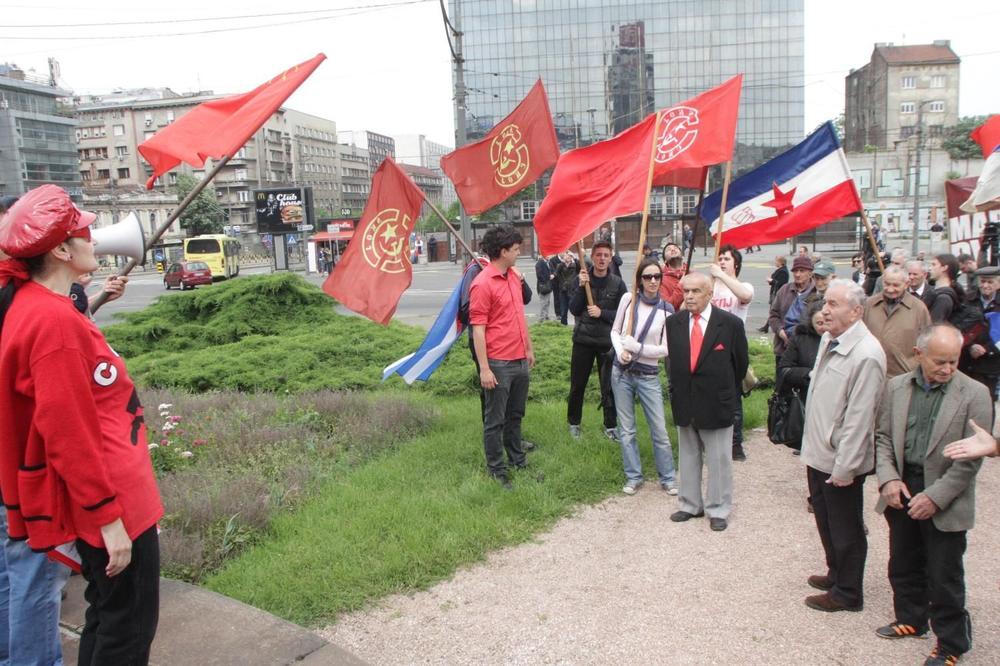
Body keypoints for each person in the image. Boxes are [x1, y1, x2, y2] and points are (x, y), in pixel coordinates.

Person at [0, 185, 163, 664]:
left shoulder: (41, 307)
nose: (95, 238)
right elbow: (66, 431)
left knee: (109, 616)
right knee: (127, 629)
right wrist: (108, 518)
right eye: (85, 231)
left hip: (115, 491)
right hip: (115, 499)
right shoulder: (52, 322)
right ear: (61, 249)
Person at [873, 324, 992, 666]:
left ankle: (951, 643)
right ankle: (911, 618)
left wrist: (935, 497)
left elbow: (972, 460)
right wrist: (888, 479)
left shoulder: (975, 394)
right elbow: (882, 438)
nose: (948, 368)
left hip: (945, 492)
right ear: (919, 354)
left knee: (944, 574)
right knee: (903, 561)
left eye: (953, 361)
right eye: (940, 361)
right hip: (903, 486)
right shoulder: (895, 387)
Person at [801, 279, 887, 613]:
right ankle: (836, 573)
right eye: (826, 303)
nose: (825, 310)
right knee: (825, 518)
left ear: (856, 312)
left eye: (834, 304)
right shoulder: (830, 339)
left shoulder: (866, 355)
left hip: (841, 460)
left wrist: (846, 467)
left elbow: (859, 419)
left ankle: (848, 592)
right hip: (819, 452)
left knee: (846, 525)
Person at [665, 272, 749, 532]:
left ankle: (718, 508)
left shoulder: (730, 324)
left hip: (717, 400)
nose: (689, 296)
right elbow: (672, 362)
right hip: (685, 400)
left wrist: (724, 390)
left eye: (695, 291)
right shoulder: (674, 323)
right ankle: (690, 504)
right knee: (688, 454)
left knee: (719, 458)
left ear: (709, 294)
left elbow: (740, 364)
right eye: (686, 291)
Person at [469, 224, 536, 489]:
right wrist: (484, 369)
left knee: (515, 416)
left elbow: (520, 317)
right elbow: (478, 330)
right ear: (503, 251)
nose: (519, 252)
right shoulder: (482, 284)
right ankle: (497, 470)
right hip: (498, 363)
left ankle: (518, 461)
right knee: (495, 421)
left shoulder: (513, 277)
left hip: (520, 359)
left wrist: (528, 348)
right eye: (516, 248)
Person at [610, 259, 677, 495]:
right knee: (627, 430)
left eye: (656, 276)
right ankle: (633, 476)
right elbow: (615, 331)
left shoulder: (667, 310)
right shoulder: (628, 299)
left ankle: (668, 477)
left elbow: (666, 349)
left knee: (659, 429)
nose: (652, 281)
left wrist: (637, 348)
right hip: (622, 373)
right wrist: (621, 351)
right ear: (639, 279)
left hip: (648, 376)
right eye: (647, 277)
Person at [567, 241, 627, 440]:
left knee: (608, 386)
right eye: (598, 255)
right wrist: (580, 286)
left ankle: (610, 426)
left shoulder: (617, 283)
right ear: (592, 257)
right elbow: (574, 309)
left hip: (607, 343)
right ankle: (574, 423)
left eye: (606, 255)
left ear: (611, 258)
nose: (602, 259)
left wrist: (602, 313)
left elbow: (623, 313)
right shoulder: (583, 279)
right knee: (578, 385)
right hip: (583, 340)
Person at [709, 244, 754, 461]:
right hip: (710, 347)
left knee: (733, 396)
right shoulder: (711, 287)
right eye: (719, 258)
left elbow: (745, 295)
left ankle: (736, 443)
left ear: (735, 263)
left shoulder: (741, 286)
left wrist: (721, 276)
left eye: (726, 258)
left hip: (732, 347)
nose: (722, 262)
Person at [863, 265, 932, 378]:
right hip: (871, 374)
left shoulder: (919, 308)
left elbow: (927, 344)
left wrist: (913, 366)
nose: (890, 289)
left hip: (903, 376)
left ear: (906, 284)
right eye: (887, 284)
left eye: (896, 285)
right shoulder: (869, 304)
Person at [777, 301, 827, 452]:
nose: (823, 327)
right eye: (818, 323)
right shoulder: (800, 338)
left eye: (826, 322)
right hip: (806, 399)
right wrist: (808, 374)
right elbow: (784, 368)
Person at [768, 256, 815, 373]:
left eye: (802, 271)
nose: (798, 274)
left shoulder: (816, 292)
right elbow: (773, 315)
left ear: (810, 273)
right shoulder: (785, 290)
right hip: (783, 348)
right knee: (782, 384)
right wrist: (780, 331)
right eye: (795, 271)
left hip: (807, 351)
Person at [959, 265, 1000, 396]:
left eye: (990, 282)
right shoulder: (967, 300)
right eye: (982, 281)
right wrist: (970, 347)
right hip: (966, 361)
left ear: (998, 284)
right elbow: (958, 327)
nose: (985, 285)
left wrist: (987, 349)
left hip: (990, 364)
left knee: (986, 402)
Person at [925, 254, 965, 323]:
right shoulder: (936, 291)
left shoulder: (943, 298)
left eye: (934, 265)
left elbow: (933, 326)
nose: (930, 268)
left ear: (944, 268)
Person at [554, 252, 578, 326]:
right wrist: (562, 283)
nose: (567, 258)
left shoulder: (575, 265)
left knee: (574, 308)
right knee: (563, 309)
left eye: (569, 257)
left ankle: (576, 324)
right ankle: (564, 324)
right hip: (563, 289)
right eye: (566, 257)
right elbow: (556, 273)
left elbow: (580, 267)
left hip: (572, 290)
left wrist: (575, 258)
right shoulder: (560, 265)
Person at [534, 253, 554, 322]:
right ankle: (541, 318)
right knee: (543, 302)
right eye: (548, 255)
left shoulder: (548, 262)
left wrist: (552, 275)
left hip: (548, 285)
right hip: (543, 286)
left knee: (547, 302)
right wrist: (548, 277)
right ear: (544, 256)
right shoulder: (539, 263)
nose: (549, 256)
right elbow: (539, 275)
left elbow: (552, 270)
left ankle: (546, 315)